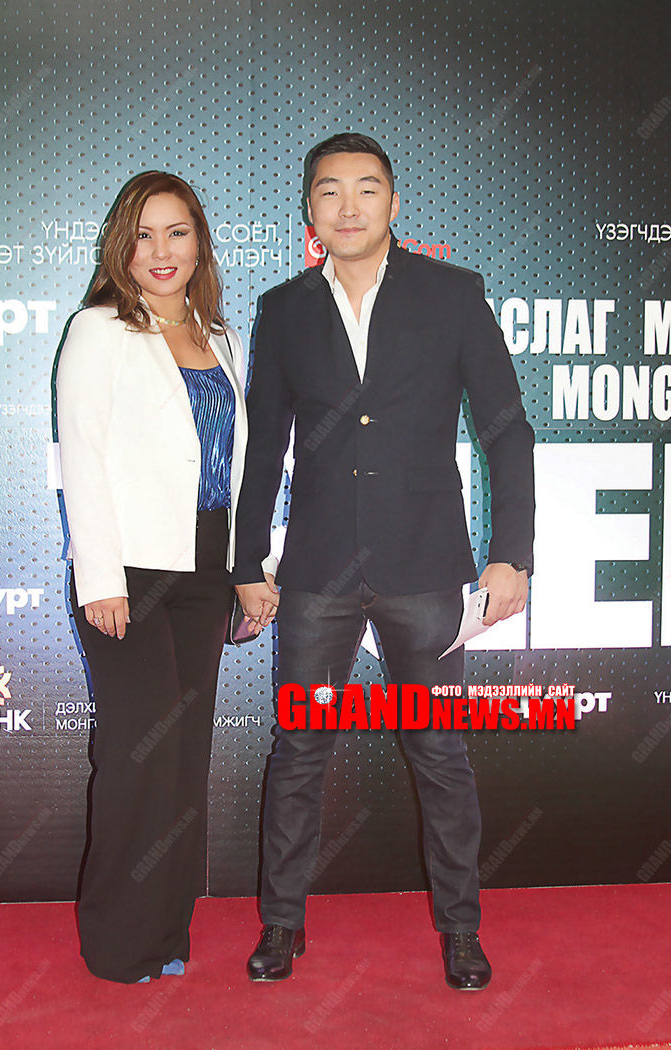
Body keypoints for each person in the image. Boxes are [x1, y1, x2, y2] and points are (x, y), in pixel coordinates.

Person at [233, 133, 535, 990]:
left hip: (426, 567)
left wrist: (512, 554)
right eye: (330, 191)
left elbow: (507, 429)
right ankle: (282, 924)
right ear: (310, 210)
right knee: (300, 747)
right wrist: (249, 561)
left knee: (439, 751)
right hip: (317, 571)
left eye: (367, 189)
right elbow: (263, 449)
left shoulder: (452, 293)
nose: (349, 206)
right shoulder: (283, 310)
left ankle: (462, 931)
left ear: (394, 204)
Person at [56, 171, 277, 984]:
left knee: (182, 756)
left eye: (176, 232)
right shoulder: (98, 330)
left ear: (199, 244)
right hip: (130, 573)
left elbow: (242, 467)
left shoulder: (222, 338)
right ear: (121, 245)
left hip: (208, 569)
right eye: (144, 234)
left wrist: (252, 569)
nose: (161, 250)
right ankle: (117, 942)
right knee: (136, 757)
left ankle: (165, 933)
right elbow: (82, 458)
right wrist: (101, 578)